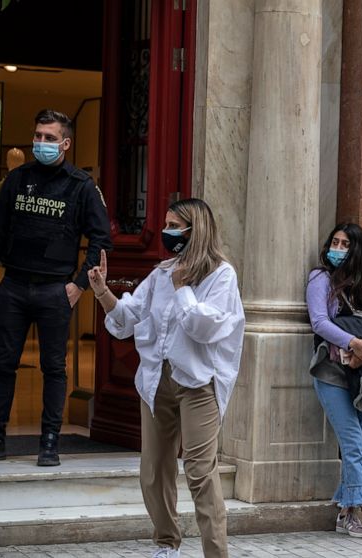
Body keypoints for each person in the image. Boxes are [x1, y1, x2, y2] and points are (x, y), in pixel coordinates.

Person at [91, 198, 244, 558]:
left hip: (198, 384)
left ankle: (216, 554)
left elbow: (204, 328)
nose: (166, 232)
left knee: (200, 472)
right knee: (153, 471)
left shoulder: (221, 275)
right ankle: (166, 544)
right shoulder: (161, 273)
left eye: (175, 226)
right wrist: (102, 291)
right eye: (166, 225)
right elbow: (127, 319)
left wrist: (182, 288)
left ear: (196, 230)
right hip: (156, 381)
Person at [0, 109, 111, 467]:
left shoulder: (81, 186)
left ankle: (50, 442)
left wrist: (79, 285)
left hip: (55, 290)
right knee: (4, 365)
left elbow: (100, 239)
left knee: (53, 368)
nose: (41, 143)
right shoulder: (17, 180)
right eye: (38, 136)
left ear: (66, 143)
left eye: (50, 138)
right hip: (14, 286)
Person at [306, 223, 362, 544]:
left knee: (358, 444)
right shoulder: (320, 278)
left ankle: (346, 513)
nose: (338, 249)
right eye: (335, 242)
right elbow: (319, 321)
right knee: (354, 443)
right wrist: (352, 343)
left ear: (357, 250)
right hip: (331, 372)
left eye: (345, 244)